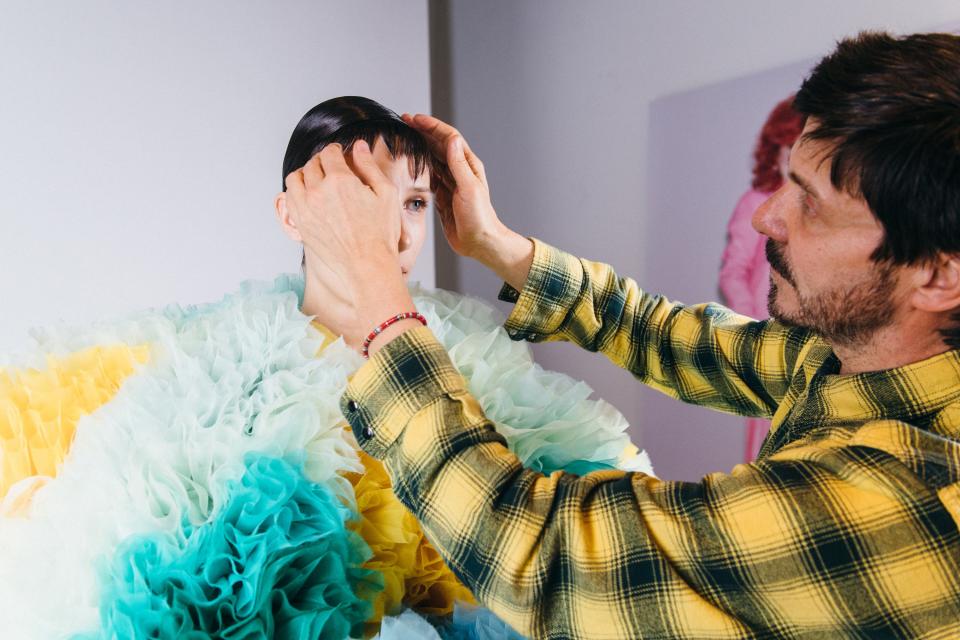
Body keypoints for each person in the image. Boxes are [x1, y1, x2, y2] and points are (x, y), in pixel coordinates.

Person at [287, 32, 960, 638]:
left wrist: (377, 290)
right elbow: (669, 336)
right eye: (787, 181)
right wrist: (495, 244)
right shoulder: (859, 357)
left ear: (936, 276)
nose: (767, 220)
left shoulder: (912, 499)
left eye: (811, 203)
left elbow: (540, 555)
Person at [0, 96, 646, 639]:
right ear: (291, 214)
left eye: (415, 202)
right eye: (359, 199)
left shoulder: (478, 361)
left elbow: (593, 549)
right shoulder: (209, 371)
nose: (392, 230)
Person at [719, 96, 804, 462]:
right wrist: (751, 320)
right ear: (774, 153)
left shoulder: (817, 207)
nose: (793, 165)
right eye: (788, 154)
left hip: (807, 331)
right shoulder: (756, 202)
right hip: (767, 329)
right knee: (768, 426)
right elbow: (734, 272)